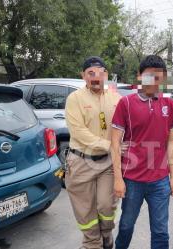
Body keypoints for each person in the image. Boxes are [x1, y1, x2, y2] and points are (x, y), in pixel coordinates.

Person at [111, 55, 173, 249]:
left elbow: (172, 142)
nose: (153, 82)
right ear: (140, 76)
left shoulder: (171, 106)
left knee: (160, 231)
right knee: (126, 226)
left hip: (160, 181)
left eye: (158, 77)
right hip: (132, 180)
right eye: (149, 76)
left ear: (164, 78)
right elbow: (114, 142)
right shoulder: (126, 104)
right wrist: (118, 179)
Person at [65, 56, 120, 249]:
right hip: (81, 161)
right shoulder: (75, 99)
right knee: (84, 209)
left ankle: (106, 234)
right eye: (90, 73)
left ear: (105, 74)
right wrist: (109, 145)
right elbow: (78, 132)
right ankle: (91, 243)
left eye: (100, 72)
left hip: (107, 163)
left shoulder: (115, 97)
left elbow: (125, 123)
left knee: (106, 204)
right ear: (83, 76)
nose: (95, 77)